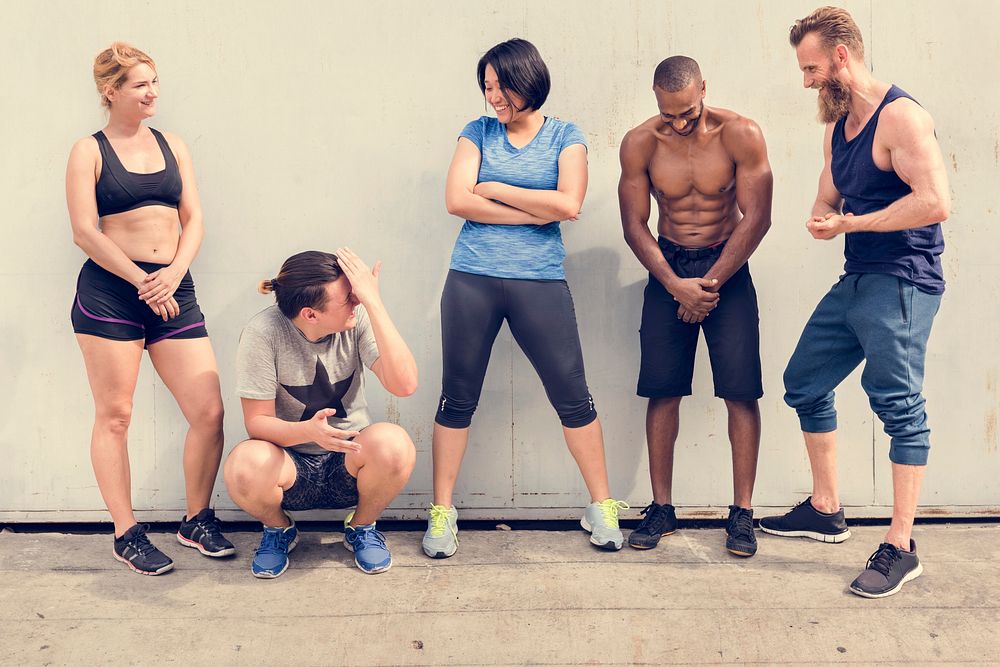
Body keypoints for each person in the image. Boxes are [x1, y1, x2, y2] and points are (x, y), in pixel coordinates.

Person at [760, 6, 950, 598]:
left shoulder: (903, 119)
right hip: (859, 278)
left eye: (812, 67)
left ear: (842, 57)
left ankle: (900, 545)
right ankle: (826, 509)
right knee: (804, 381)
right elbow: (829, 193)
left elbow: (935, 203)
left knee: (897, 404)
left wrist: (851, 225)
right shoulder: (837, 124)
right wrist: (823, 217)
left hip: (903, 279)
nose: (807, 80)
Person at [423, 38, 627, 558]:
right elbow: (455, 199)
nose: (492, 97)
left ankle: (601, 506)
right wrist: (536, 210)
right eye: (486, 87)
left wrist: (492, 186)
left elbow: (569, 203)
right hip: (471, 278)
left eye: (500, 86)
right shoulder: (477, 132)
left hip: (539, 282)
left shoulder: (567, 135)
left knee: (572, 395)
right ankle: (442, 512)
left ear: (526, 80)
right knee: (457, 396)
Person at [67, 42, 232, 575]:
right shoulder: (88, 151)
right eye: (140, 84)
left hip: (172, 288)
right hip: (113, 292)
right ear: (110, 91)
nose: (152, 92)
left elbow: (196, 219)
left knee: (208, 412)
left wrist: (175, 273)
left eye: (155, 81)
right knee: (115, 416)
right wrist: (142, 280)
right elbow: (84, 232)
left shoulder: (173, 144)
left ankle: (195, 519)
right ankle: (126, 532)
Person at [618, 56, 773, 557]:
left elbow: (758, 218)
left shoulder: (740, 134)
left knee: (740, 391)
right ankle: (662, 508)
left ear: (703, 88)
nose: (678, 123)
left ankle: (742, 512)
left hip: (726, 267)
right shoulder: (641, 142)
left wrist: (705, 286)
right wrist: (674, 284)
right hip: (668, 266)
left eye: (686, 112)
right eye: (669, 113)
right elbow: (635, 225)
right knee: (662, 391)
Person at [225, 249, 417, 578]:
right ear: (311, 314)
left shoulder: (357, 319)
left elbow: (405, 384)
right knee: (244, 464)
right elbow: (256, 422)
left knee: (394, 444)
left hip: (349, 461)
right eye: (349, 298)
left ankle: (361, 527)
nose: (356, 301)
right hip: (290, 468)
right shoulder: (263, 333)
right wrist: (308, 433)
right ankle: (278, 530)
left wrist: (375, 303)